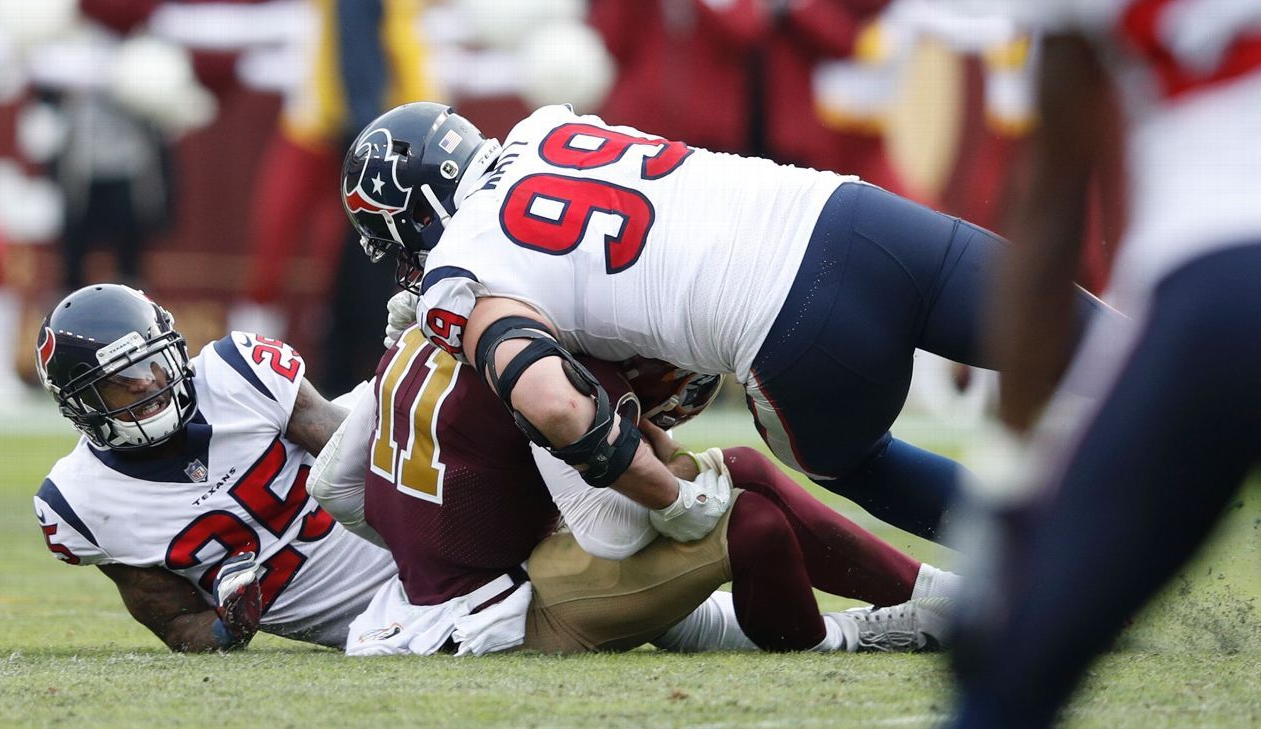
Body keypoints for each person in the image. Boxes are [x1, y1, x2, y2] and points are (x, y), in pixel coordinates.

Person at [339, 101, 1106, 542]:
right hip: (852, 219)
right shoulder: (546, 125)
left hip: (792, 332)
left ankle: (1064, 557)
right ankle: (1220, 391)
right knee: (1108, 348)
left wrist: (670, 500)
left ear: (409, 212)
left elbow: (555, 403)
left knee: (860, 464)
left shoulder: (459, 275)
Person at [949, 2, 1261, 726]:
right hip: (1213, 274)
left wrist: (1006, 472)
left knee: (1011, 677)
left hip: (1219, 278)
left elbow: (1052, 207)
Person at [307, 323, 961, 656]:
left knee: (738, 497)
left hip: (420, 606)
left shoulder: (419, 333)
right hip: (495, 614)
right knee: (748, 509)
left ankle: (923, 603)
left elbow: (331, 485)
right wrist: (681, 493)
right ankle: (870, 628)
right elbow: (611, 534)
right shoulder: (544, 357)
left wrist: (425, 543)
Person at [31, 283, 397, 651]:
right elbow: (180, 621)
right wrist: (230, 626)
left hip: (409, 546)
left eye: (151, 361)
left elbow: (366, 459)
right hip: (379, 620)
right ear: (82, 407)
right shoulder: (81, 503)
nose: (146, 381)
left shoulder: (237, 374)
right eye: (117, 382)